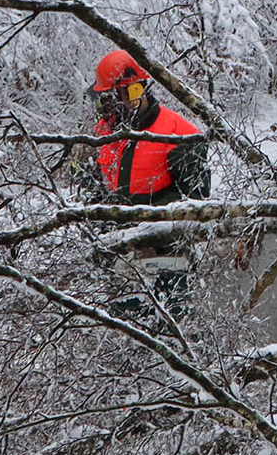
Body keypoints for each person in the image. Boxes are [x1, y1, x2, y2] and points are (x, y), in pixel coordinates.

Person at [85, 49, 209, 309]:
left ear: (133, 92)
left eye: (110, 99)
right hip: (120, 241)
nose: (106, 107)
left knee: (170, 314)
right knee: (121, 318)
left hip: (165, 245)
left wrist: (153, 220)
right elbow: (96, 184)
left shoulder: (178, 133)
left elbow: (195, 200)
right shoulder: (104, 131)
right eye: (103, 100)